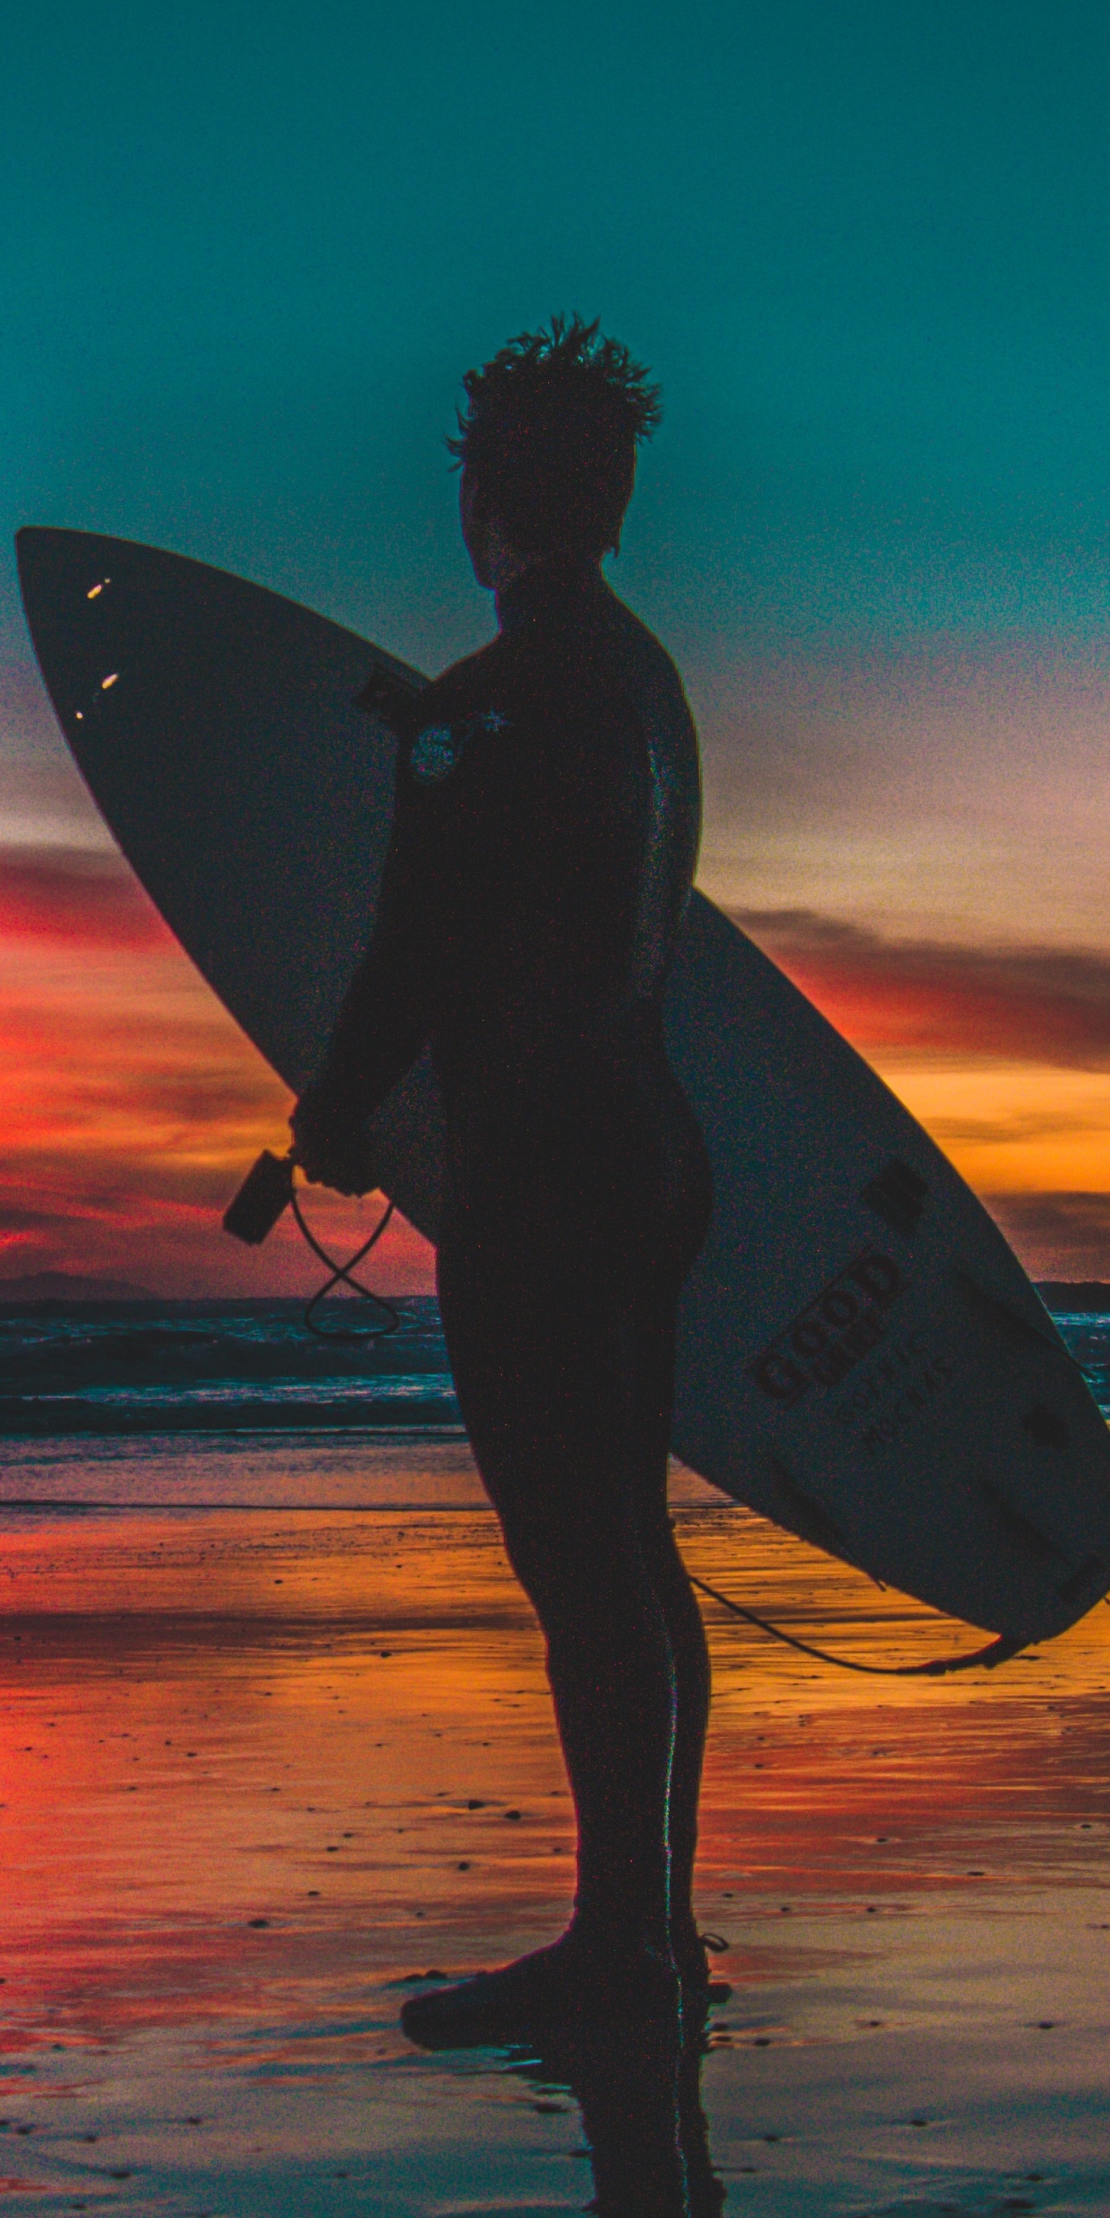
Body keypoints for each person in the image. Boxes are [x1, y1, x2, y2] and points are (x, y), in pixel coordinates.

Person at [291, 316, 717, 2046]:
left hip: (539, 1170)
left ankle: (616, 1953)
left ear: (488, 503)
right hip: (647, 1145)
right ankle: (652, 1930)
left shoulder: (480, 705)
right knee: (633, 1551)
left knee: (578, 1566)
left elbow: (415, 945)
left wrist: (334, 1115)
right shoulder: (646, 689)